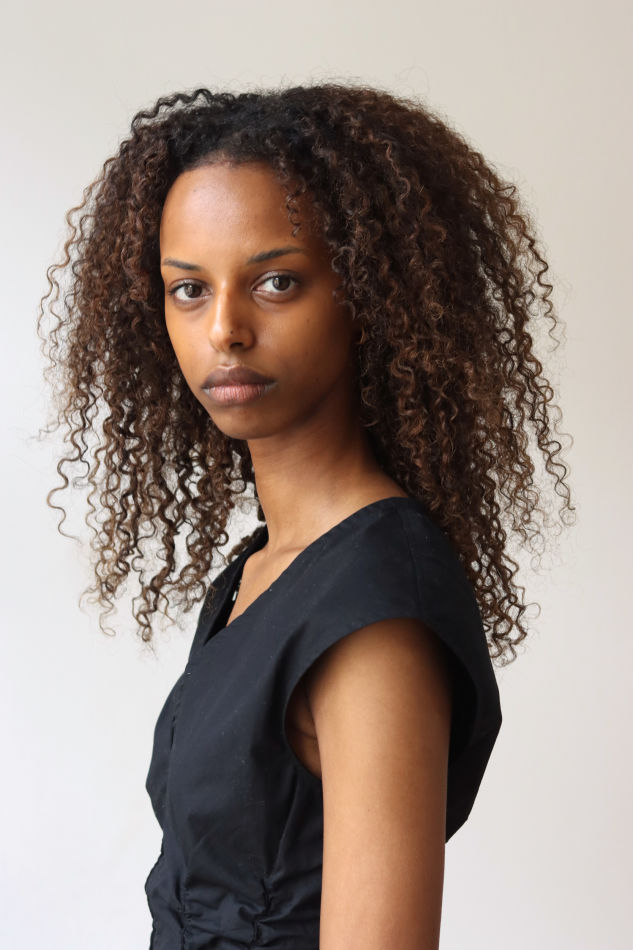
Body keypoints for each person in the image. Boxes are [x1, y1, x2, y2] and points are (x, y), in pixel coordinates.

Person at [38, 83, 574, 949]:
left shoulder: (373, 607)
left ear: (368, 295)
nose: (224, 329)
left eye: (276, 282)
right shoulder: (260, 570)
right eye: (188, 289)